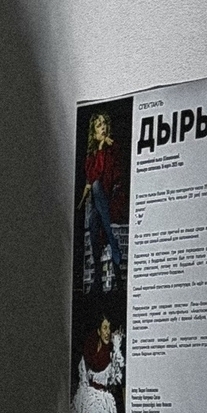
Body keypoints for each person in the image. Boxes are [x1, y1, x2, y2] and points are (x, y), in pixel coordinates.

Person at [79, 108, 127, 294]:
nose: (103, 128)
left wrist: (105, 148)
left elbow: (117, 177)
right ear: (94, 132)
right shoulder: (91, 157)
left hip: (111, 200)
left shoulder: (114, 149)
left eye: (105, 124)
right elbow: (94, 176)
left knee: (97, 191)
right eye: (99, 126)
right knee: (93, 217)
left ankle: (99, 279)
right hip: (98, 204)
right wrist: (99, 149)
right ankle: (99, 276)